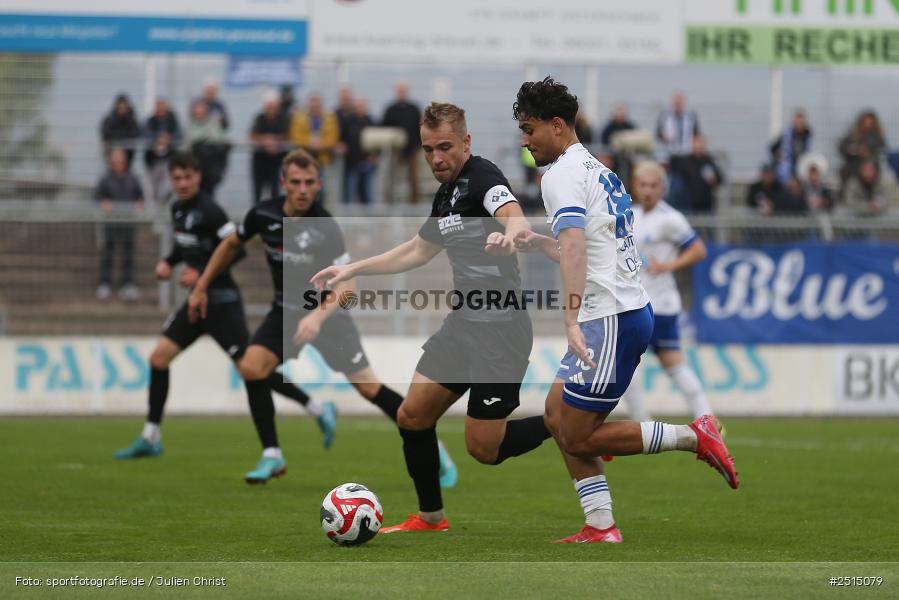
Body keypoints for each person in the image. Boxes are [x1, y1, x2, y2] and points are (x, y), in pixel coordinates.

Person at [513, 77, 738, 544]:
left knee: (576, 434)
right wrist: (538, 242)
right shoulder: (595, 168)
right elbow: (587, 247)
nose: (525, 140)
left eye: (530, 129)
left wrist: (570, 318)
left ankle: (694, 437)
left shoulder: (557, 174)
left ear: (557, 125)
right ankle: (599, 526)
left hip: (609, 318)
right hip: (619, 312)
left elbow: (576, 247)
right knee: (557, 416)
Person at [312, 103, 551, 533]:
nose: (436, 158)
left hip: (501, 331)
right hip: (463, 325)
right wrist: (352, 269)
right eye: (427, 149)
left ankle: (562, 420)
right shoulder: (446, 195)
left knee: (484, 449)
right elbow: (417, 251)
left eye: (445, 147)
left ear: (466, 142)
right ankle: (431, 518)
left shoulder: (483, 177)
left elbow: (512, 214)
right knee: (412, 416)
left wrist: (511, 235)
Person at [188, 149, 456, 485]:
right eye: (296, 182)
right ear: (283, 183)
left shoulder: (325, 227)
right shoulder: (262, 215)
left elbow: (349, 288)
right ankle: (272, 455)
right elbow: (230, 244)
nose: (302, 189)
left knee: (370, 389)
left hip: (329, 317)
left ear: (319, 185)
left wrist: (316, 317)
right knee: (252, 367)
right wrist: (201, 286)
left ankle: (434, 446)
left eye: (309, 182)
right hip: (285, 312)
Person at [112, 152, 334, 463]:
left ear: (198, 177)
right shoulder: (177, 209)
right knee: (159, 359)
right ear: (171, 180)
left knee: (251, 368)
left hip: (222, 304)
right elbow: (185, 243)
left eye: (188, 177)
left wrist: (200, 275)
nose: (183, 183)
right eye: (177, 178)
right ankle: (151, 435)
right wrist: (170, 262)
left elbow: (235, 251)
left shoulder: (211, 212)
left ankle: (315, 408)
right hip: (196, 302)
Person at [621, 161, 711, 423]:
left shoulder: (671, 219)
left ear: (662, 188)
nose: (647, 190)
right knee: (673, 367)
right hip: (636, 302)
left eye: (653, 185)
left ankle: (643, 424)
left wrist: (668, 266)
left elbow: (698, 250)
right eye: (642, 185)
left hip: (658, 304)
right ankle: (707, 420)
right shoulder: (630, 214)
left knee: (624, 366)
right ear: (635, 187)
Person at [95, 148, 144, 302]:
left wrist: (139, 205)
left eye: (120, 160)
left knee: (128, 254)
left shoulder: (133, 178)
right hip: (110, 222)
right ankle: (105, 284)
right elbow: (97, 198)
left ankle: (128, 284)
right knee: (107, 253)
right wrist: (103, 204)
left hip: (129, 222)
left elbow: (140, 197)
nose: (117, 163)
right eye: (114, 160)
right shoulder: (105, 179)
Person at [381, 82, 423, 203]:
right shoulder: (390, 109)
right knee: (391, 179)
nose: (402, 93)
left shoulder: (414, 109)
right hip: (395, 150)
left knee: (414, 179)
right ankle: (389, 204)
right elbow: (384, 127)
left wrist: (419, 146)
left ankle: (414, 205)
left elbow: (421, 128)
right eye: (400, 91)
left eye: (404, 91)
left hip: (412, 150)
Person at [250, 90, 290, 205]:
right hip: (260, 162)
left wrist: (273, 141)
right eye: (269, 106)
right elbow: (253, 136)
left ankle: (274, 217)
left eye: (273, 106)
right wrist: (266, 141)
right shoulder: (259, 118)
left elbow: (287, 135)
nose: (271, 109)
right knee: (257, 191)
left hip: (276, 162)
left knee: (275, 191)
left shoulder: (283, 119)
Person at [289, 93, 340, 182]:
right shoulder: (299, 118)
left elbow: (333, 137)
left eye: (317, 103)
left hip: (323, 159)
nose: (315, 105)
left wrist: (321, 145)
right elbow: (295, 137)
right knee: (304, 186)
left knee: (322, 187)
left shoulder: (330, 118)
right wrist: (310, 143)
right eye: (312, 103)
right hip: (304, 158)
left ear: (321, 104)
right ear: (308, 104)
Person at [185, 100, 230, 198]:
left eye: (201, 112)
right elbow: (190, 140)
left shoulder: (213, 123)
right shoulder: (190, 125)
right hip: (195, 165)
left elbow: (216, 139)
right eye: (196, 113)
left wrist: (201, 140)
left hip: (210, 167)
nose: (199, 115)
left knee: (209, 194)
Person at [143, 98, 182, 207]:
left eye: (162, 107)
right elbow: (145, 136)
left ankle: (161, 206)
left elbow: (179, 136)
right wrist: (157, 139)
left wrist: (168, 139)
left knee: (168, 186)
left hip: (169, 160)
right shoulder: (150, 121)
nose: (160, 110)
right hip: (153, 161)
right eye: (158, 107)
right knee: (152, 189)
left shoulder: (173, 121)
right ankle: (157, 211)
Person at [340, 97, 377, 205]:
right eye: (358, 106)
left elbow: (377, 142)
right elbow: (341, 139)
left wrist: (375, 155)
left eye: (362, 106)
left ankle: (370, 218)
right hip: (351, 162)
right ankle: (348, 217)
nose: (360, 108)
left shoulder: (371, 121)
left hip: (367, 163)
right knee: (350, 193)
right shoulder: (347, 121)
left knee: (368, 193)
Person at [675, 135, 723, 213]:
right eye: (696, 143)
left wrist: (714, 180)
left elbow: (720, 179)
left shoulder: (709, 161)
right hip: (688, 204)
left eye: (701, 143)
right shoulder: (684, 162)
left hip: (706, 204)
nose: (699, 146)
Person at [838, 109, 887, 183]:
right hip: (853, 169)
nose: (867, 125)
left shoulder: (877, 139)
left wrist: (868, 155)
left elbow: (881, 153)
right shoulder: (853, 136)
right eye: (865, 122)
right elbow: (842, 147)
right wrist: (854, 151)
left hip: (871, 171)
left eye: (870, 123)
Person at [770, 109, 812, 184]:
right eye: (797, 122)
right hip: (787, 172)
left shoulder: (807, 136)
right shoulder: (786, 135)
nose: (799, 124)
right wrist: (779, 156)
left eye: (801, 122)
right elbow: (773, 148)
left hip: (801, 170)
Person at [100, 94, 141, 168]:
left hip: (128, 155)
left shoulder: (132, 120)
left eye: (124, 107)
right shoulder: (109, 119)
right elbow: (105, 133)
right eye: (120, 107)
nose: (122, 109)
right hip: (111, 152)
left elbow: (136, 133)